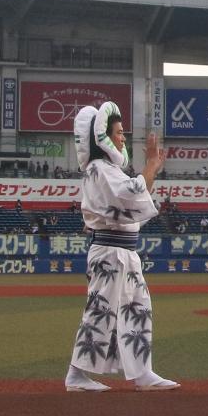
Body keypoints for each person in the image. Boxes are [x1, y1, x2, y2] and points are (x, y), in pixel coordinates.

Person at [65, 102, 178, 391]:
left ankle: (142, 373)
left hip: (124, 252)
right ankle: (76, 374)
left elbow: (132, 200)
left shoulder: (107, 169)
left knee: (137, 309)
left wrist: (148, 171)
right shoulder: (99, 169)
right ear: (102, 137)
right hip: (109, 252)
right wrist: (151, 166)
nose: (123, 138)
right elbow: (131, 195)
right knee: (101, 311)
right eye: (118, 132)